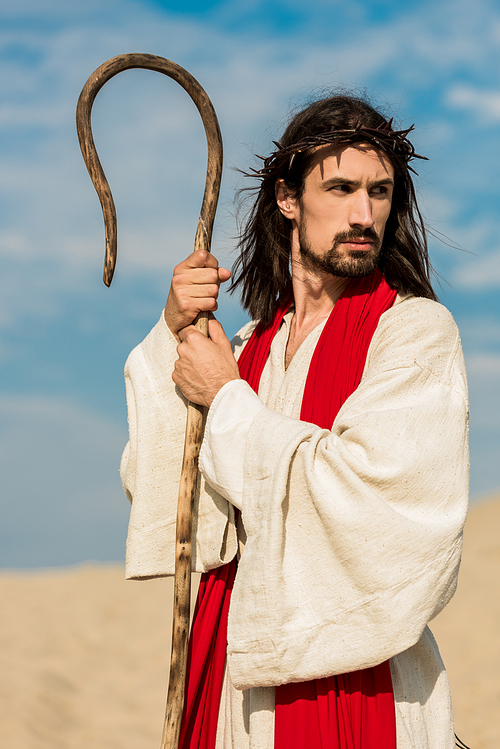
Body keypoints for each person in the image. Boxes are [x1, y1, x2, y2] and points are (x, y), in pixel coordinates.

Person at [120, 95, 469, 749]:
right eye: (340, 188)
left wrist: (225, 400)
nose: (363, 214)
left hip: (361, 687)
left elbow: (376, 506)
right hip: (234, 679)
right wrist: (173, 335)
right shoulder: (248, 346)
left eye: (379, 191)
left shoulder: (414, 334)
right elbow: (179, 507)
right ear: (287, 198)